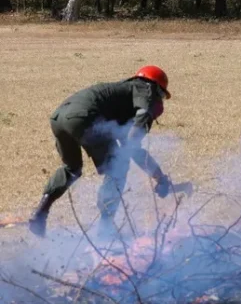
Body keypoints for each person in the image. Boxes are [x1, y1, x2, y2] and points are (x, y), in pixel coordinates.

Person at [28, 66, 173, 238]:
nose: (160, 100)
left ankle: (40, 213)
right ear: (157, 87)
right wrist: (160, 178)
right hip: (85, 117)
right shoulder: (146, 88)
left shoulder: (121, 97)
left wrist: (159, 177)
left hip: (59, 118)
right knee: (118, 168)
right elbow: (141, 119)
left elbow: (133, 150)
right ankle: (106, 229)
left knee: (72, 169)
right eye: (162, 95)